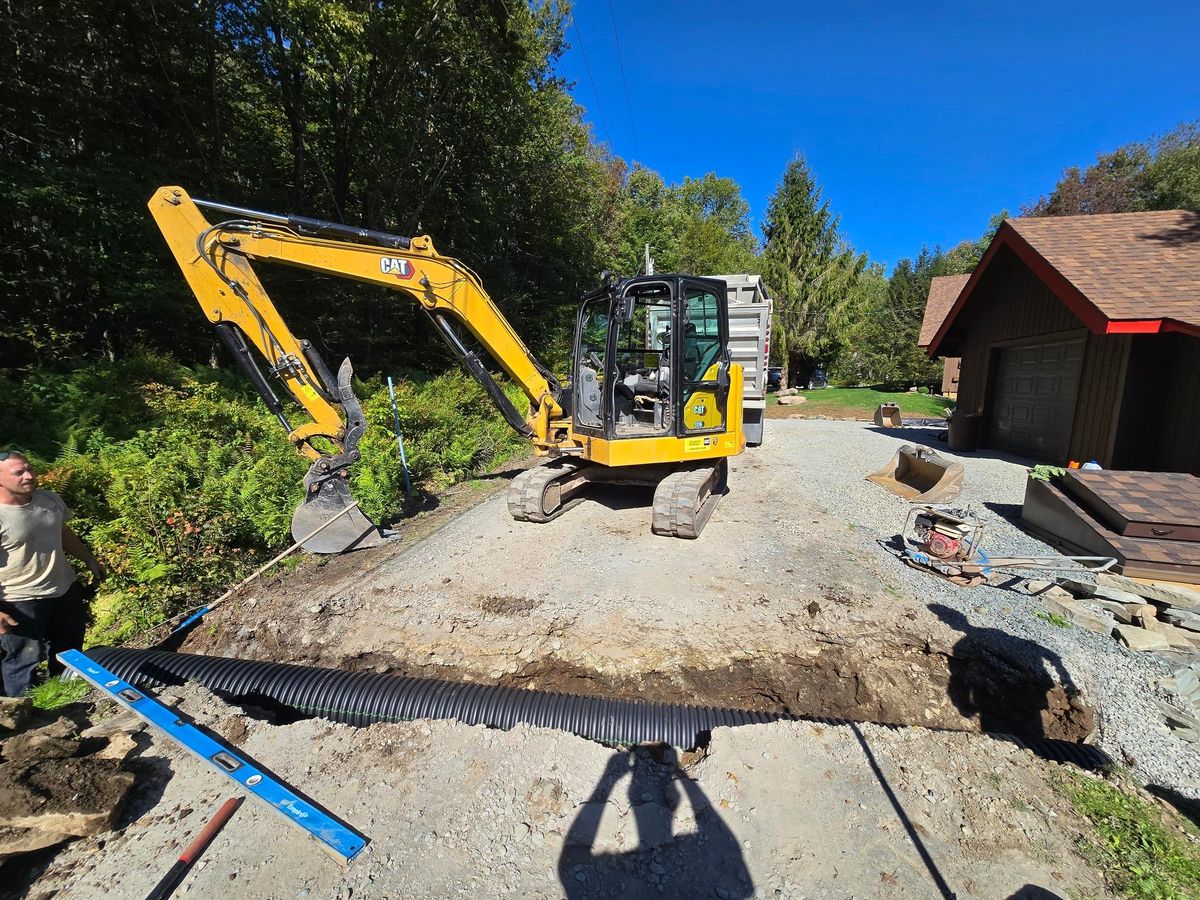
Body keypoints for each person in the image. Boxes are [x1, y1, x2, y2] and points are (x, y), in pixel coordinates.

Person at [0, 450, 105, 697]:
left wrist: (88, 558)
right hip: (20, 599)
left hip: (63, 589)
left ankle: (66, 702)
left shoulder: (49, 500)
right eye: (19, 473)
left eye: (30, 469)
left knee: (69, 653)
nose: (29, 476)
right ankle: (25, 722)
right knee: (21, 664)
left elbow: (62, 532)